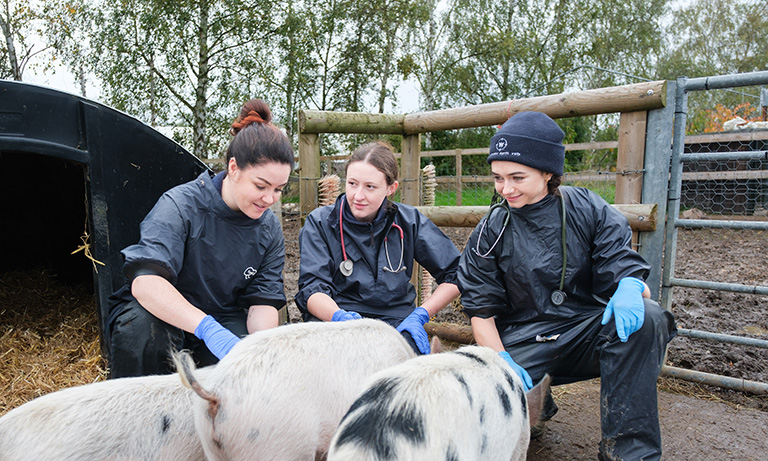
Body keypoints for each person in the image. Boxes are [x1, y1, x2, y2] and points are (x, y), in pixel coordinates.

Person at [458, 111, 677, 460]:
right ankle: (535, 402)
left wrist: (630, 287)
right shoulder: (490, 231)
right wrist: (501, 362)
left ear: (548, 172)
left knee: (648, 318)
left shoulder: (586, 208)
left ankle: (628, 452)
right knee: (469, 387)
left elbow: (629, 273)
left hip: (585, 333)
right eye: (498, 178)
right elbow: (481, 313)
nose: (506, 189)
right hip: (523, 342)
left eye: (517, 177)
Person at [107, 99, 294, 378]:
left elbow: (263, 302)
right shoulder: (181, 205)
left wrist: (259, 349)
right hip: (167, 314)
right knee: (141, 329)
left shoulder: (269, 228)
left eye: (279, 189)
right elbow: (146, 283)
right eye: (260, 186)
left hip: (224, 317)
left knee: (246, 367)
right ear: (234, 168)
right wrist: (206, 328)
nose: (269, 199)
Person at [295, 141, 461, 355]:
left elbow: (455, 273)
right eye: (352, 183)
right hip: (336, 320)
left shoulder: (409, 222)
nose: (358, 196)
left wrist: (420, 315)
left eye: (370, 187)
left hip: (396, 323)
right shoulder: (320, 223)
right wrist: (339, 318)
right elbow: (312, 289)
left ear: (391, 188)